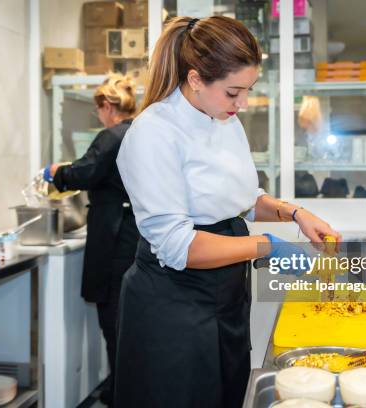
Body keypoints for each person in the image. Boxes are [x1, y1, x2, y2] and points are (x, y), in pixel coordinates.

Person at [114, 16, 341, 408]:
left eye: (248, 90)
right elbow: (178, 245)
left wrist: (295, 213)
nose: (243, 103)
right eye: (234, 91)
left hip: (226, 298)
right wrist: (265, 248)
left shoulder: (223, 119)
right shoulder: (154, 133)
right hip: (173, 306)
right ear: (196, 78)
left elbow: (242, 199)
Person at [45, 73, 140, 407]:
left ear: (105, 105)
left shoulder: (111, 136)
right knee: (128, 321)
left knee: (113, 320)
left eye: (97, 108)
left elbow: (85, 172)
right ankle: (124, 388)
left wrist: (56, 172)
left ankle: (120, 395)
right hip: (134, 236)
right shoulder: (138, 132)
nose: (97, 114)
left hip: (115, 237)